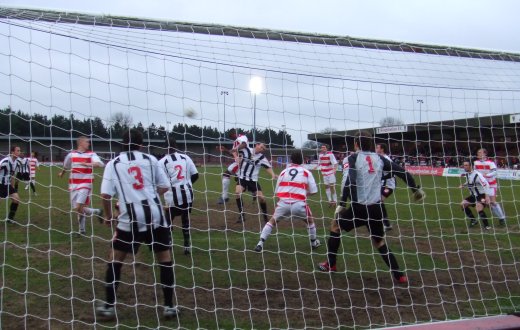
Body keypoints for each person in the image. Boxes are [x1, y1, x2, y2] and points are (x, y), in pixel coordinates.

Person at [318, 131, 422, 284]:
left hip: (359, 207)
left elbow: (350, 180)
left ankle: (331, 264)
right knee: (379, 242)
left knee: (335, 226)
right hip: (376, 208)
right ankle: (399, 275)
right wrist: (415, 190)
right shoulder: (379, 158)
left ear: (356, 143)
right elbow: (403, 173)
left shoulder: (352, 158)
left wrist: (342, 203)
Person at [97, 129, 178, 318]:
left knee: (115, 259)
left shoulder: (114, 163)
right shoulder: (151, 159)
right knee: (164, 259)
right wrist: (148, 196)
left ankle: (109, 307)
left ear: (122, 143)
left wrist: (109, 216)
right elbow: (165, 186)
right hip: (156, 216)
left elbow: (105, 195)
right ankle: (169, 306)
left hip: (131, 218)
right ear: (141, 144)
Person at [254, 152, 320, 252]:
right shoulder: (306, 172)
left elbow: (277, 191)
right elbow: (314, 191)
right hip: (299, 204)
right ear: (302, 160)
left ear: (291, 160)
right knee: (310, 221)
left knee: (272, 221)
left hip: (283, 203)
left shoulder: (284, 172)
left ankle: (260, 244)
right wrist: (303, 193)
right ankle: (314, 243)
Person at [159, 137, 199, 255]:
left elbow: (161, 182)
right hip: (188, 194)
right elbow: (196, 175)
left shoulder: (161, 162)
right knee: (185, 218)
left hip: (172, 195)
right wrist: (188, 184)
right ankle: (187, 245)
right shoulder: (185, 157)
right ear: (176, 146)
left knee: (168, 220)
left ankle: (169, 243)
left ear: (165, 148)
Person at [58, 136, 104, 235]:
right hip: (73, 184)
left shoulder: (91, 154)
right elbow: (66, 165)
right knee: (78, 209)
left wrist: (88, 164)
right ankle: (95, 213)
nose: (89, 143)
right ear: (80, 143)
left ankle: (85, 225)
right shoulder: (71, 154)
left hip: (86, 183)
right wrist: (62, 173)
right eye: (87, 142)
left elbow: (100, 164)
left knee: (79, 206)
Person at [235, 139, 277, 223]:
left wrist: (272, 174)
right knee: (237, 193)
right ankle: (242, 215)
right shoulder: (246, 149)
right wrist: (237, 157)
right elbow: (236, 149)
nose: (261, 149)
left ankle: (265, 217)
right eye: (261, 147)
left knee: (262, 198)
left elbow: (267, 167)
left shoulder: (262, 157)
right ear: (256, 145)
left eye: (263, 149)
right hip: (242, 178)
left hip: (253, 180)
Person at [473, 148, 506, 226]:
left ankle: (502, 218)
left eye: (480, 152)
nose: (478, 153)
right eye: (478, 152)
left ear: (485, 154)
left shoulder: (490, 162)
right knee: (487, 203)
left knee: (493, 202)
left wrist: (486, 175)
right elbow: (475, 172)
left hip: (491, 184)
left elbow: (495, 171)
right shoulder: (475, 162)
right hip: (482, 185)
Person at [460, 160, 491, 230]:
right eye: (464, 165)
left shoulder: (477, 175)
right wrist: (464, 185)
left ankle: (487, 226)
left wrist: (487, 196)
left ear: (470, 166)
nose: (464, 167)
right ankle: (473, 220)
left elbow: (486, 185)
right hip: (473, 195)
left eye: (466, 165)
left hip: (481, 195)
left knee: (478, 208)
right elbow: (469, 181)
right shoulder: (467, 173)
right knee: (463, 204)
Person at [376, 143, 397, 231]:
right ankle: (386, 224)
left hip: (389, 185)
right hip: (382, 185)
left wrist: (382, 177)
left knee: (378, 201)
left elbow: (392, 173)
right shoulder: (379, 159)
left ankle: (386, 224)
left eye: (377, 147)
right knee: (377, 202)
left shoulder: (387, 159)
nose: (376, 148)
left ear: (382, 149)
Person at [0, 146, 22, 223]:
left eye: (20, 151)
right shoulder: (5, 161)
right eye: (18, 151)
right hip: (1, 184)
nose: (19, 152)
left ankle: (10, 219)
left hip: (8, 185)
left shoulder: (17, 163)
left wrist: (12, 186)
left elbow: (12, 176)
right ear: (12, 152)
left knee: (16, 199)